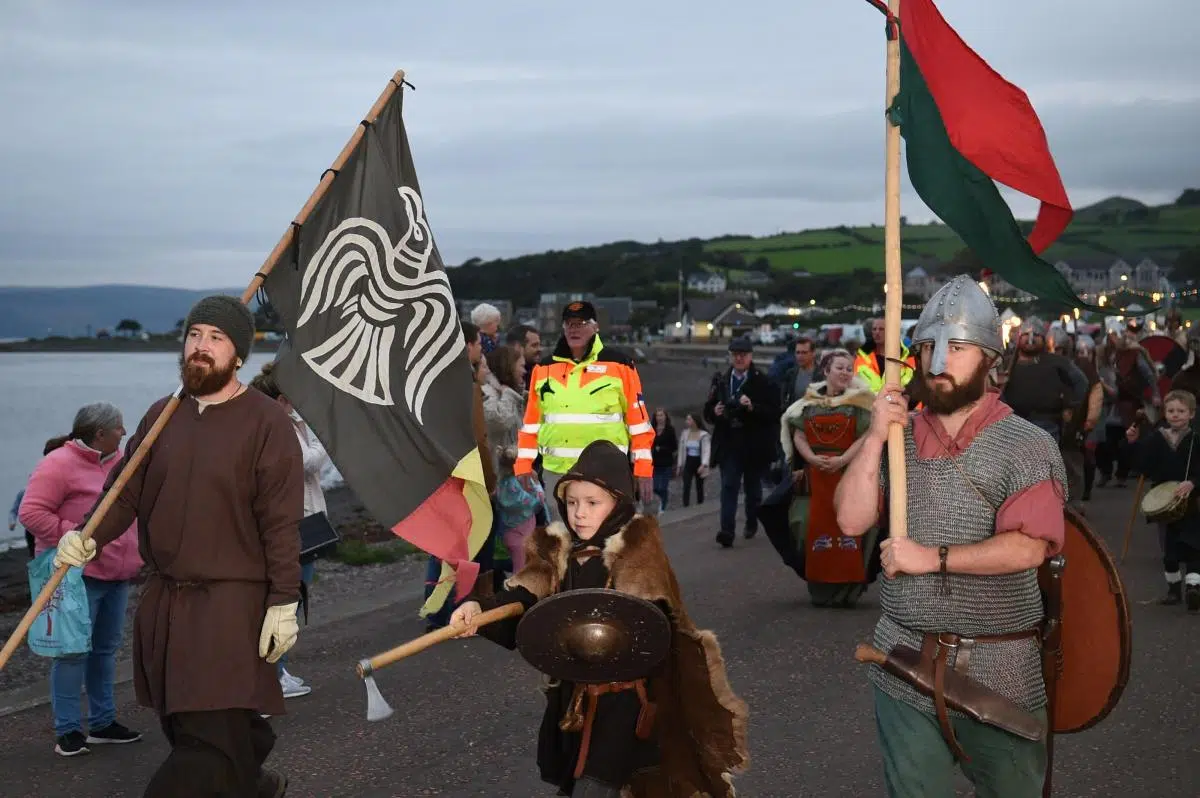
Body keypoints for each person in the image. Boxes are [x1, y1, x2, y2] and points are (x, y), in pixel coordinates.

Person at [53, 295, 303, 796]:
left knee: (203, 746)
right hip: (167, 604)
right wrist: (87, 536)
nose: (200, 347)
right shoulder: (161, 416)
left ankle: (247, 778)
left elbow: (280, 523)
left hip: (231, 606)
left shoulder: (266, 423)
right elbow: (123, 494)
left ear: (238, 356)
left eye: (216, 338)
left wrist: (283, 601)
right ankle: (256, 784)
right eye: (194, 335)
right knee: (188, 726)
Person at [834, 275, 1067, 798]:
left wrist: (931, 557)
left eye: (958, 348)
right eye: (928, 348)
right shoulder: (899, 439)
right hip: (904, 657)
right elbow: (850, 521)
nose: (939, 363)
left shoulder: (1026, 446)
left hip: (1000, 665)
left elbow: (1029, 547)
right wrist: (874, 437)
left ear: (989, 360)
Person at [450, 440, 748, 798]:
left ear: (618, 503)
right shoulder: (556, 551)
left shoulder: (638, 551)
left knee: (598, 785)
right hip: (572, 698)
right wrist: (480, 611)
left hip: (623, 704)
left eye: (593, 503)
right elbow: (523, 599)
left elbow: (660, 629)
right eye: (572, 502)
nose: (579, 513)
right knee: (578, 782)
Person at [18, 402, 143, 757]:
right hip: (74, 575)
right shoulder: (58, 463)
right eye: (119, 427)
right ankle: (69, 731)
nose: (124, 431)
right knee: (71, 652)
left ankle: (103, 723)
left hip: (117, 574)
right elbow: (30, 512)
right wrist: (73, 535)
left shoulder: (121, 463)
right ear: (99, 433)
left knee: (105, 650)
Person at [514, 301, 655, 518]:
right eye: (569, 324)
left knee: (607, 541)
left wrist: (643, 469)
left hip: (606, 472)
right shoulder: (543, 368)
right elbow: (531, 423)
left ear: (595, 327)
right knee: (563, 541)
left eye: (581, 323)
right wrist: (523, 463)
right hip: (557, 474)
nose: (574, 329)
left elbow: (638, 423)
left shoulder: (621, 365)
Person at [250, 360, 333, 700]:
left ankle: (278, 669)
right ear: (281, 398)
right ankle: (272, 673)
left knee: (292, 598)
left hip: (302, 520)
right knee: (286, 599)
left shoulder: (287, 423)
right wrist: (323, 442)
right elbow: (305, 462)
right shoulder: (277, 428)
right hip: (293, 523)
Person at [776, 349, 878, 608]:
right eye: (839, 368)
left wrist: (843, 460)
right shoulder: (809, 403)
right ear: (826, 371)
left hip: (849, 474)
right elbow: (797, 432)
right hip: (816, 477)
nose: (845, 373)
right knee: (807, 527)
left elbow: (866, 435)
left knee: (851, 530)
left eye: (848, 369)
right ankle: (820, 589)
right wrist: (810, 458)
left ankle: (848, 592)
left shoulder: (861, 403)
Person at [1126, 390, 1200, 610]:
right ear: (1164, 413)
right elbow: (1142, 466)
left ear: (1191, 414)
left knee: (1193, 545)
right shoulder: (1157, 438)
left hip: (1191, 501)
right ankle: (1174, 590)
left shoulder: (1196, 439)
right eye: (1171, 411)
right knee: (1169, 551)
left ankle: (1193, 587)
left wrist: (1193, 482)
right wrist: (1133, 444)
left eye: (1181, 411)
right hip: (1164, 503)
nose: (1175, 415)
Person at [703, 337, 780, 547]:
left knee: (753, 489)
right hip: (729, 443)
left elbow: (774, 412)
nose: (739, 358)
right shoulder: (721, 380)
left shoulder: (763, 381)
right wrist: (715, 411)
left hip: (754, 444)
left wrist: (752, 407)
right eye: (735, 354)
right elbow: (707, 411)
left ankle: (751, 521)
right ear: (730, 356)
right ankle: (726, 531)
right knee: (729, 486)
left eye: (743, 354)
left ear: (750, 356)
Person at [853, 317, 916, 393]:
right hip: (869, 403)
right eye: (874, 329)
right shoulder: (861, 358)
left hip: (900, 402)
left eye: (881, 329)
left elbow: (913, 386)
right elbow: (855, 384)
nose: (877, 332)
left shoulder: (908, 357)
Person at [675, 413, 711, 507]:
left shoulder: (704, 435)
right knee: (686, 485)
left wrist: (703, 465)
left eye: (689, 420)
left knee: (699, 485)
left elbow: (706, 450)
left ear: (695, 421)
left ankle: (700, 504)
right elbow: (681, 450)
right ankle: (685, 505)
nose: (687, 422)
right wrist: (679, 465)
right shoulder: (685, 433)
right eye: (687, 420)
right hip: (688, 461)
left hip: (699, 461)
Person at [649, 408, 677, 512]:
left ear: (665, 417)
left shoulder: (670, 430)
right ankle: (660, 502)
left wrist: (662, 448)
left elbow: (674, 446)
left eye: (661, 415)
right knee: (655, 487)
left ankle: (663, 507)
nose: (659, 418)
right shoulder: (652, 429)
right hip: (655, 462)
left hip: (666, 462)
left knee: (663, 487)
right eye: (658, 415)